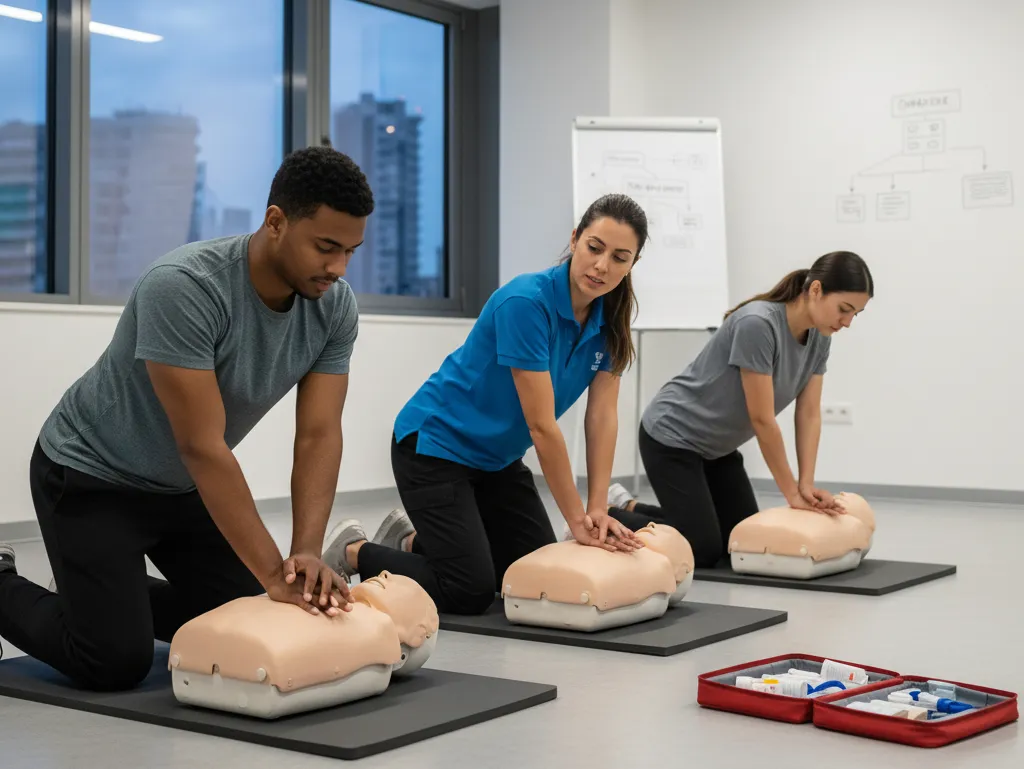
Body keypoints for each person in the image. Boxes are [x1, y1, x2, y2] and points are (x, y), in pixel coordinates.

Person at [0, 145, 374, 690]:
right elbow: (203, 446)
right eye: (325, 248)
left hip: (178, 488)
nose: (338, 269)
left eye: (350, 252)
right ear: (276, 222)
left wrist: (304, 554)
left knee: (256, 616)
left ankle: (96, 596)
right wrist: (274, 574)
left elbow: (318, 435)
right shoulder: (185, 285)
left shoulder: (335, 308)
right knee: (113, 662)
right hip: (90, 476)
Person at [320, 194, 649, 615]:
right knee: (468, 591)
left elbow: (602, 416)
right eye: (594, 248)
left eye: (619, 257)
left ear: (632, 264)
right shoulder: (526, 303)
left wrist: (598, 507)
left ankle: (411, 541)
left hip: (497, 461)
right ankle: (355, 550)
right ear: (574, 239)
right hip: (435, 448)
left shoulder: (611, 320)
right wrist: (578, 521)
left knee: (528, 575)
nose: (602, 266)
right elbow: (542, 427)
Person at [604, 251, 874, 568]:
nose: (847, 322)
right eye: (844, 309)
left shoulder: (820, 337)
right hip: (673, 437)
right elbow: (762, 419)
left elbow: (809, 413)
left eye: (855, 314)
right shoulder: (757, 324)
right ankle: (609, 518)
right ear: (815, 289)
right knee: (702, 549)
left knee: (740, 539)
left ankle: (631, 505)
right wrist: (791, 493)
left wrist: (806, 484)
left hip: (718, 449)